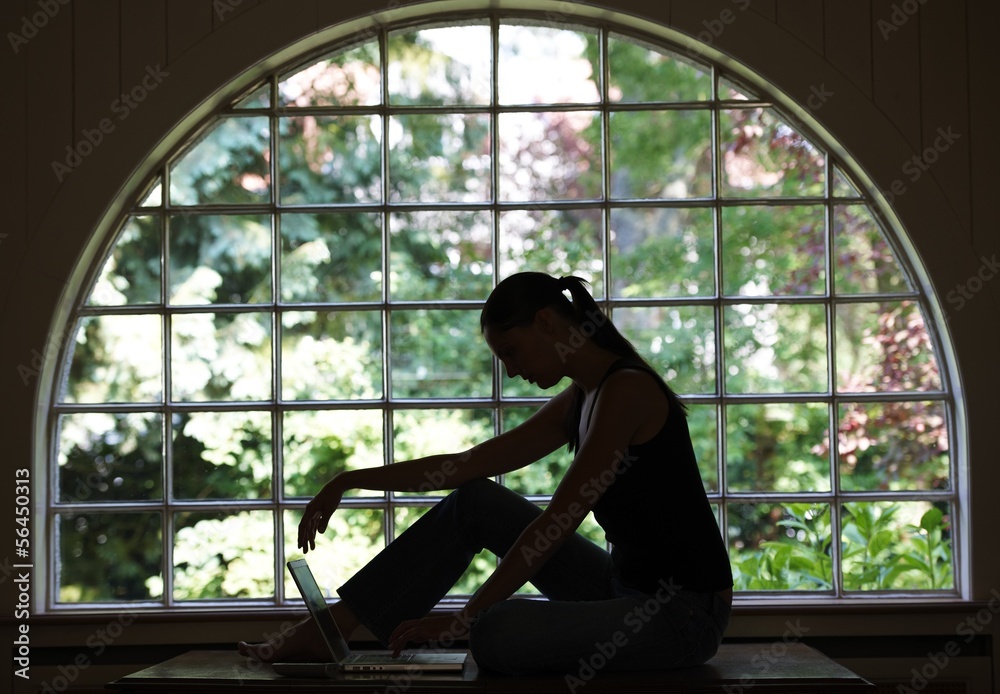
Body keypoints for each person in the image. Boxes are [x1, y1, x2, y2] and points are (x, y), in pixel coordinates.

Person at [240, 271, 732, 675]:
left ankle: (452, 628)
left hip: (681, 615)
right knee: (476, 502)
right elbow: (469, 466)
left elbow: (557, 522)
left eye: (512, 353)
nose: (511, 371)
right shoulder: (583, 396)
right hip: (622, 590)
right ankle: (335, 626)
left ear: (546, 323)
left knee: (493, 632)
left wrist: (464, 619)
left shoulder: (626, 391)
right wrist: (349, 479)